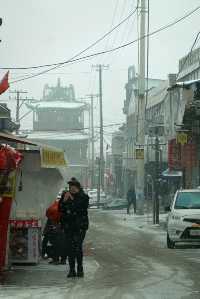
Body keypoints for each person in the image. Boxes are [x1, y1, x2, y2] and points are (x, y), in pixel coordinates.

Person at [59, 180, 89, 278]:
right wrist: (64, 201)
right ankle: (72, 270)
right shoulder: (65, 196)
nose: (71, 188)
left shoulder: (84, 197)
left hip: (80, 227)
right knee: (69, 248)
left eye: (73, 186)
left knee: (77, 247)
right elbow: (60, 209)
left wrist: (71, 200)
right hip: (68, 226)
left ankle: (80, 268)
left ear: (78, 187)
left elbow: (80, 209)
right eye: (70, 186)